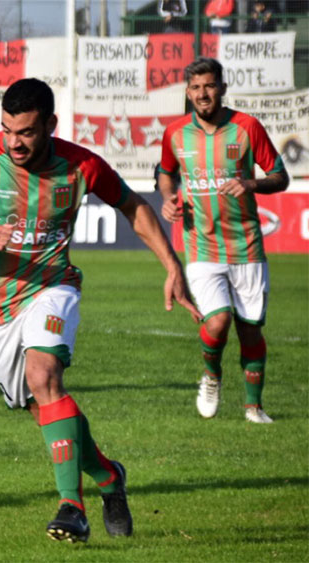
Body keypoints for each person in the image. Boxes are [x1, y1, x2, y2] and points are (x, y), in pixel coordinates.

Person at [0, 78, 200, 543]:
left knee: (44, 376)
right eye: (8, 130)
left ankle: (73, 508)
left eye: (26, 132)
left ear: (50, 123)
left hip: (53, 287)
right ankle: (109, 477)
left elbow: (133, 206)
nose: (14, 142)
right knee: (45, 409)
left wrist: (172, 265)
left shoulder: (81, 165)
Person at [157, 57, 289, 425]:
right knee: (217, 323)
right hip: (201, 245)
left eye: (210, 86)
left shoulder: (247, 127)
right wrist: (168, 197)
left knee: (250, 329)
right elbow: (165, 173)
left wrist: (251, 183)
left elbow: (280, 176)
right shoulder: (175, 133)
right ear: (188, 93)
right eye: (196, 87)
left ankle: (253, 408)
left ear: (222, 88)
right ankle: (211, 375)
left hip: (247, 246)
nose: (203, 94)